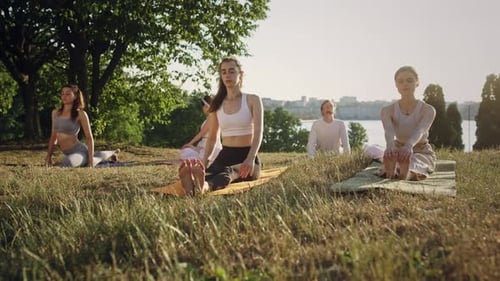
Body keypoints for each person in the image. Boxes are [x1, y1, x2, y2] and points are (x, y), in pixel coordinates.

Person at [178, 56, 263, 195]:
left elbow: (259, 132)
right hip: (225, 154)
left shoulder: (253, 100)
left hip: (247, 155)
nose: (227, 75)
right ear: (221, 76)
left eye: (231, 71)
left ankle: (203, 188)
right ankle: (192, 184)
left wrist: (250, 158)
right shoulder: (217, 104)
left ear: (240, 74)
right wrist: (204, 163)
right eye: (223, 72)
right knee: (210, 172)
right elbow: (212, 138)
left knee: (227, 173)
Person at [379, 66, 436, 180]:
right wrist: (390, 146)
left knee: (416, 163)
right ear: (396, 84)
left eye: (409, 80)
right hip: (398, 149)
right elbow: (389, 130)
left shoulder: (428, 110)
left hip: (421, 150)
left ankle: (405, 172)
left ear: (417, 82)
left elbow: (420, 130)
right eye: (401, 81)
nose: (405, 84)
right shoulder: (387, 110)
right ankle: (394, 169)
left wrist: (409, 145)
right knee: (387, 156)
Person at [45, 84, 116, 167]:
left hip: (79, 150)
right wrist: (49, 156)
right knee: (67, 162)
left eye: (68, 94)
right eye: (62, 93)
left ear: (75, 96)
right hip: (66, 151)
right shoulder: (55, 113)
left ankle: (111, 153)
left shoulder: (81, 114)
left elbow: (89, 137)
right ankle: (105, 154)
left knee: (68, 163)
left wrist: (90, 161)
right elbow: (53, 137)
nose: (64, 96)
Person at [179, 95, 222, 165]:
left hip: (210, 147)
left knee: (185, 152)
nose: (202, 109)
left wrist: (190, 144)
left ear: (205, 106)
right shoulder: (211, 117)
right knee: (185, 151)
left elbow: (201, 133)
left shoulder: (211, 118)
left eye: (203, 107)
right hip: (205, 145)